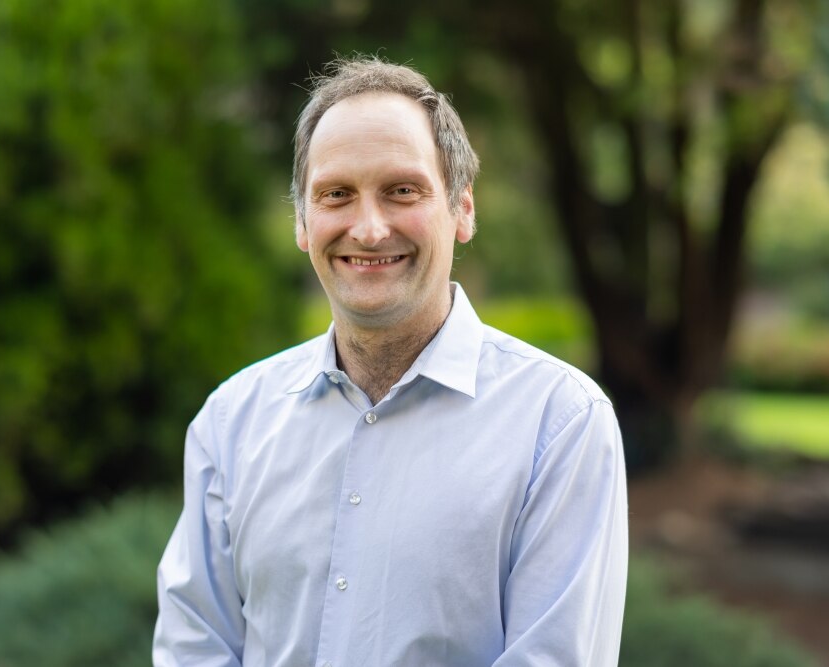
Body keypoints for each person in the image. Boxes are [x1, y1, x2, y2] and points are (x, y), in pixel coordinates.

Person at [154, 55, 628, 667]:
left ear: (462, 210)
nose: (370, 229)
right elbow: (195, 646)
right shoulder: (231, 421)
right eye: (336, 195)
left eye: (402, 191)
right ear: (302, 221)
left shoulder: (560, 424)